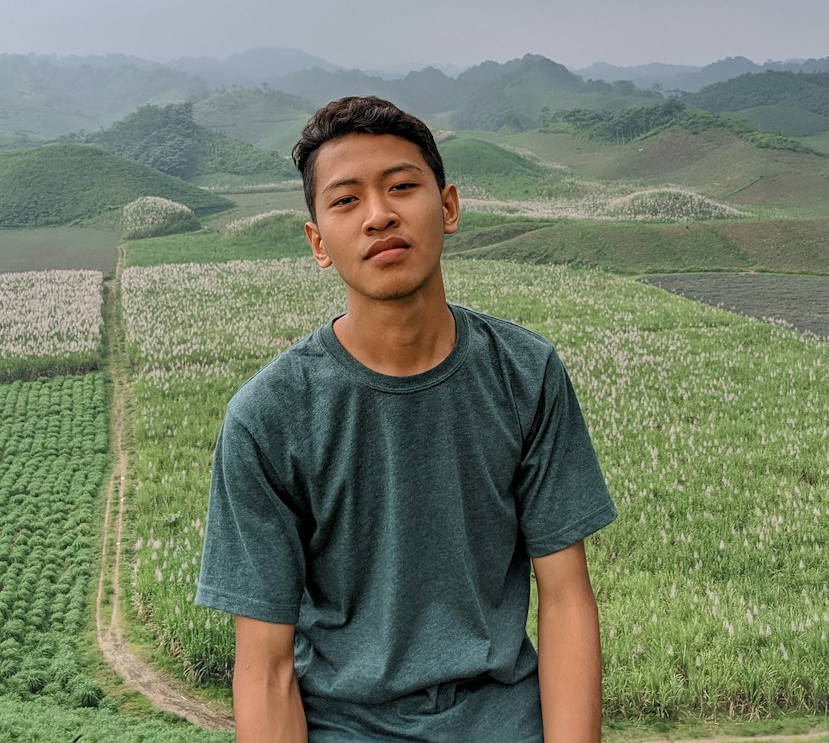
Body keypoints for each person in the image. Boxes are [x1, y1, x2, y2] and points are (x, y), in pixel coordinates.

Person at [196, 95, 616, 742]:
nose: (379, 215)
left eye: (400, 186)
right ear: (318, 243)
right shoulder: (268, 418)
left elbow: (565, 600)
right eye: (345, 200)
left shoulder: (526, 376)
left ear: (447, 207)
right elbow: (265, 669)